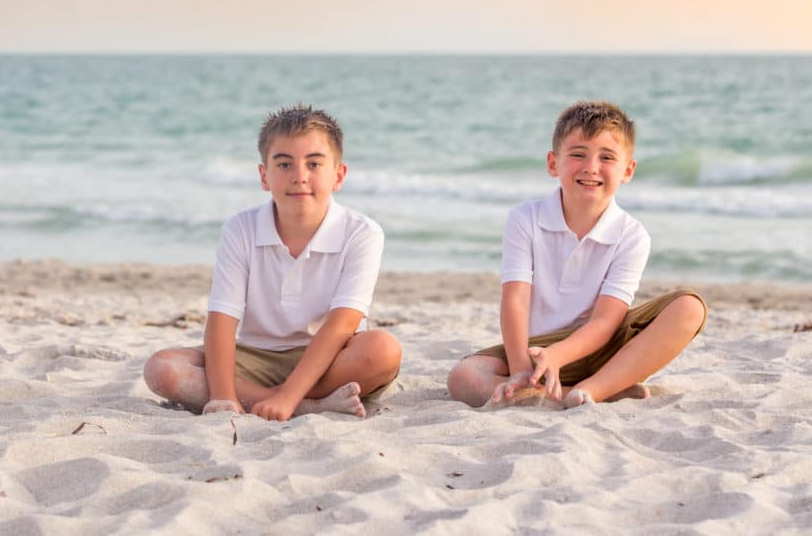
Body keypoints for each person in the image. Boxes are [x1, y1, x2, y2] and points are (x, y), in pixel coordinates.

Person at [144, 104, 402, 421]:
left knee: (383, 351)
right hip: (255, 358)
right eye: (284, 164)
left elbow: (342, 324)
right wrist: (224, 397)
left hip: (331, 359)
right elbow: (223, 319)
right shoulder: (241, 229)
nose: (299, 176)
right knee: (162, 369)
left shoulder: (362, 232)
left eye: (314, 164)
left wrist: (289, 396)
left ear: (339, 175)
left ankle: (287, 400)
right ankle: (310, 407)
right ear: (264, 176)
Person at [447, 100, 707, 409]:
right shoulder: (525, 219)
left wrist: (559, 355)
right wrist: (519, 368)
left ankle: (594, 388)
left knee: (690, 307)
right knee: (463, 377)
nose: (591, 167)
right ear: (553, 163)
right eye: (578, 154)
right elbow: (515, 300)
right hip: (534, 351)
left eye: (607, 157)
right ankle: (587, 392)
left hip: (603, 349)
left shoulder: (632, 235)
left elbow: (605, 322)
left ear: (628, 170)